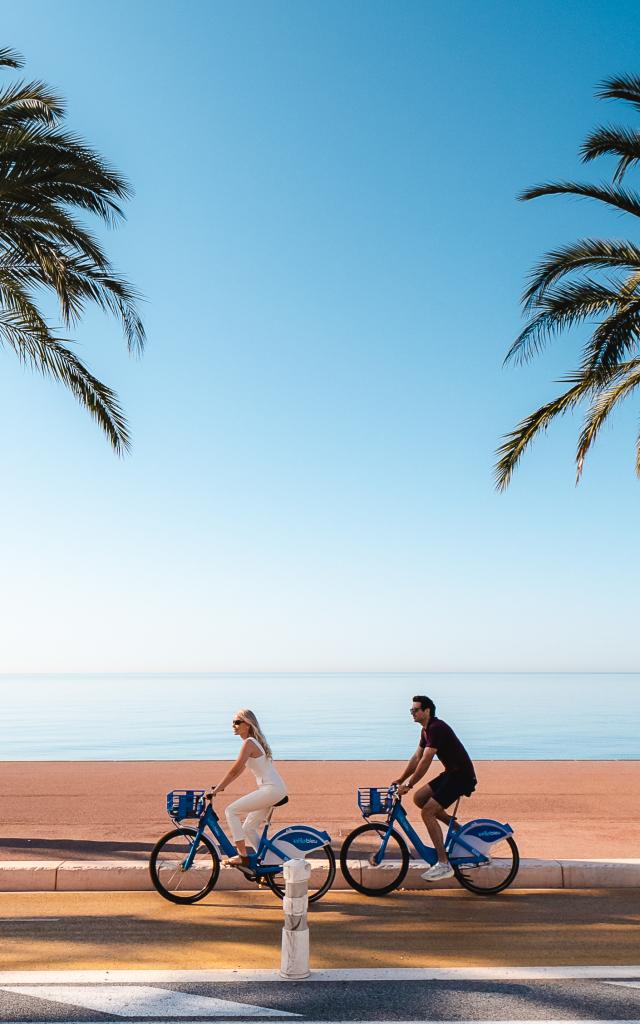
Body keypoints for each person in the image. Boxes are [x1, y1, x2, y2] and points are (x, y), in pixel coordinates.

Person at [392, 695, 477, 880]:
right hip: (452, 774)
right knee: (419, 799)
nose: (412, 713)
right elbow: (416, 757)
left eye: (415, 710)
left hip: (461, 777)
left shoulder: (437, 728)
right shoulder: (426, 730)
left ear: (427, 711)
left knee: (428, 812)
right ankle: (457, 828)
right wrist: (400, 779)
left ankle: (443, 863)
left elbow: (426, 760)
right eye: (411, 710)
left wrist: (409, 784)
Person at [210, 709, 287, 870]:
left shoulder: (249, 743)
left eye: (237, 722)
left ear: (248, 724)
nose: (234, 725)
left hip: (271, 790)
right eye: (233, 722)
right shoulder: (252, 742)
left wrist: (217, 789)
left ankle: (242, 856)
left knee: (231, 811)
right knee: (248, 828)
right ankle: (267, 861)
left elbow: (234, 769)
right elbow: (239, 771)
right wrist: (221, 787)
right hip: (274, 789)